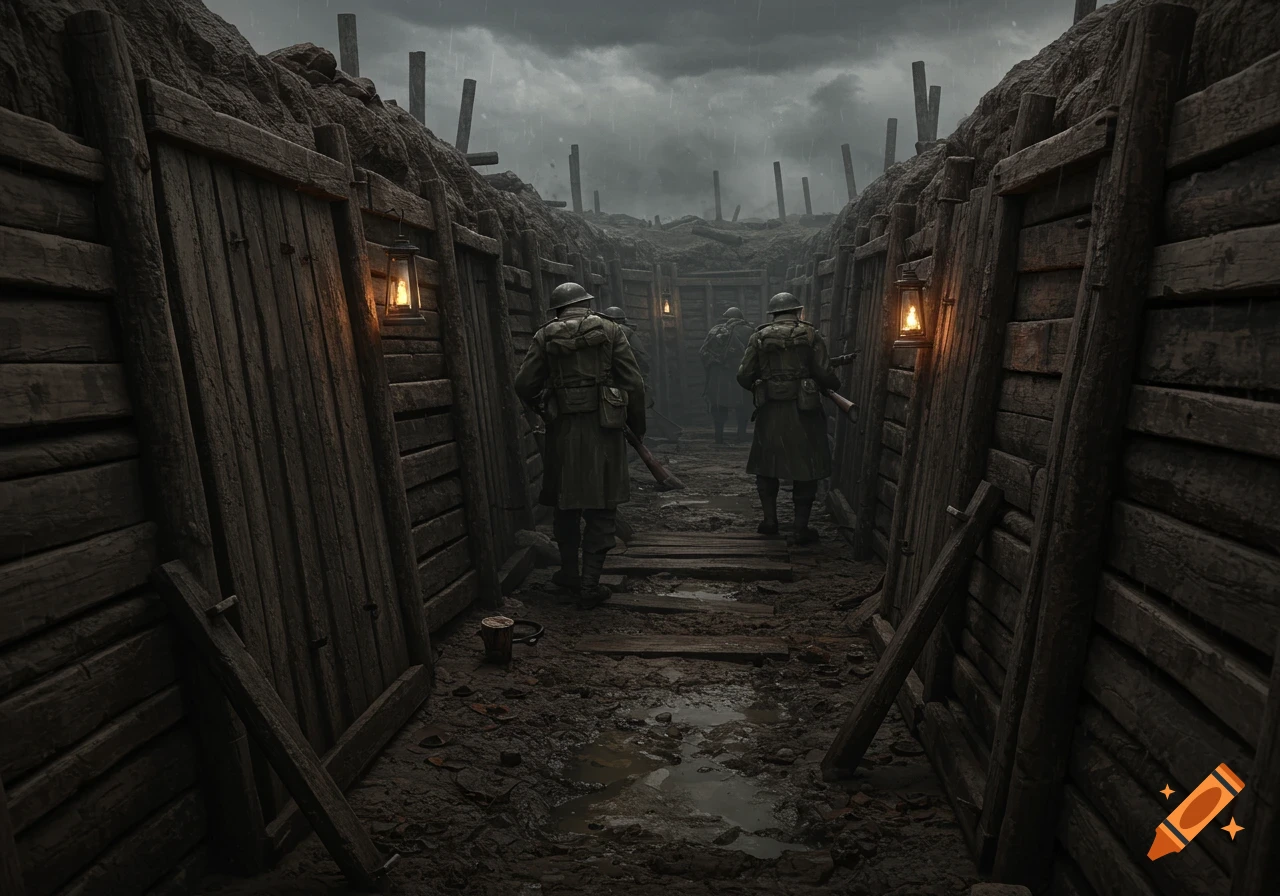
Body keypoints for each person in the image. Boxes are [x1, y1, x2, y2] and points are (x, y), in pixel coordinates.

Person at [514, 283, 646, 605]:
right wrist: (636, 427)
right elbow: (633, 383)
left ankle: (570, 575)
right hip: (605, 431)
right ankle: (590, 585)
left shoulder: (545, 336)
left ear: (557, 310)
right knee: (601, 508)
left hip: (562, 434)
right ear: (587, 304)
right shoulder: (612, 330)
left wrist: (544, 407)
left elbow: (523, 384)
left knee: (565, 504)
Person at [736, 292, 840, 545]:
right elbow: (825, 372)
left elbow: (743, 374)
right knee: (807, 467)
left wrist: (762, 384)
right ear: (797, 312)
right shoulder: (812, 335)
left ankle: (770, 521)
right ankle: (800, 528)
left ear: (773, 314)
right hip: (804, 411)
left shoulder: (758, 336)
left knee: (766, 465)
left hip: (770, 409)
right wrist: (829, 386)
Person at [699, 307, 755, 443]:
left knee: (719, 406)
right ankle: (740, 437)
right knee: (743, 406)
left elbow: (703, 353)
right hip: (739, 374)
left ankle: (719, 438)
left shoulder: (715, 330)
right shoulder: (748, 330)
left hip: (717, 376)